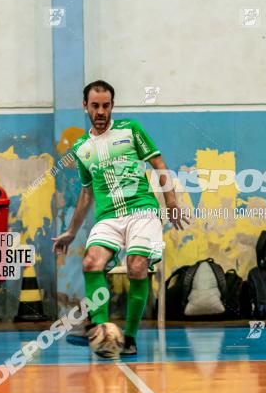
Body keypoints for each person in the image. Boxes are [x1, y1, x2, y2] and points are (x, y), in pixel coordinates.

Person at [52, 80, 187, 358]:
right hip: (108, 217)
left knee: (137, 266)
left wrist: (171, 201)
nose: (100, 111)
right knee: (91, 261)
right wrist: (70, 232)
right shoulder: (81, 147)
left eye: (106, 105)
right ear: (85, 107)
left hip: (142, 210)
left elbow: (159, 165)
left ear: (112, 106)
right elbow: (87, 193)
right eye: (95, 106)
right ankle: (101, 327)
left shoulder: (130, 130)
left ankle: (131, 337)